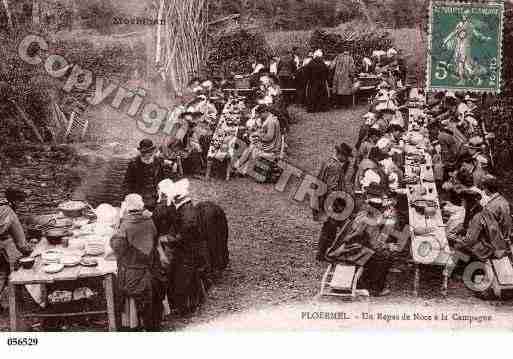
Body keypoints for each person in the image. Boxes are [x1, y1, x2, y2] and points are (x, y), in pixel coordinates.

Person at [325, 183, 401, 296]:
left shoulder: (364, 210)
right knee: (384, 255)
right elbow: (374, 243)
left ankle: (363, 281)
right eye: (382, 201)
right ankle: (373, 288)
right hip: (351, 251)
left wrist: (382, 220)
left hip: (345, 246)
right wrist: (388, 246)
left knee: (379, 251)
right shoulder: (371, 218)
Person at [110, 194, 166, 331]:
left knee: (123, 281)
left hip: (134, 274)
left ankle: (135, 323)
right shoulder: (149, 221)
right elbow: (154, 240)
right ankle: (152, 323)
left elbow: (117, 247)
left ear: (127, 209)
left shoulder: (126, 226)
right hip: (152, 270)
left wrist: (116, 229)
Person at [164, 179, 210, 315]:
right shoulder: (188, 208)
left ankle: (186, 307)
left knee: (183, 279)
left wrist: (167, 239)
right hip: (192, 248)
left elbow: (183, 236)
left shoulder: (187, 215)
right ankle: (193, 302)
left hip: (188, 251)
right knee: (188, 276)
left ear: (177, 199)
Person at [314, 143, 353, 261]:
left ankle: (323, 253)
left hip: (323, 199)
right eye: (346, 157)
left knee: (329, 228)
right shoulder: (336, 167)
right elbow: (332, 187)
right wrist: (338, 203)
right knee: (330, 229)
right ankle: (323, 254)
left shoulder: (327, 161)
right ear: (341, 154)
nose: (346, 160)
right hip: (331, 202)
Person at [0, 189, 33, 304]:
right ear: (14, 201)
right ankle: (19, 300)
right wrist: (29, 249)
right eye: (20, 202)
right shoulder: (9, 212)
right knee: (13, 269)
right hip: (2, 247)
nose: (20, 205)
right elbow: (20, 241)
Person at [124, 139, 167, 211]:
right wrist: (129, 199)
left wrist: (162, 195)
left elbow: (162, 179)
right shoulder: (134, 164)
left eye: (150, 152)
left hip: (156, 198)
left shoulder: (158, 161)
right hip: (140, 200)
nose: (148, 155)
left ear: (152, 151)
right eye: (145, 153)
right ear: (142, 152)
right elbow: (127, 183)